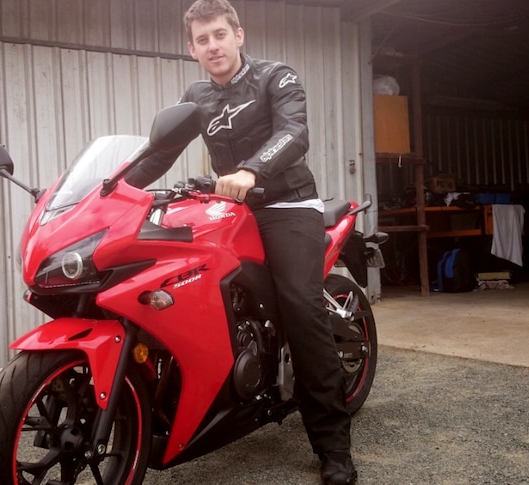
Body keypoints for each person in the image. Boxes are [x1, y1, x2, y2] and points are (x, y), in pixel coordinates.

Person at [125, 1, 356, 483]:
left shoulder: (278, 77)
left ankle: (333, 445)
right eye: (202, 40)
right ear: (191, 49)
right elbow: (159, 154)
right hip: (230, 208)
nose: (213, 45)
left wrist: (252, 170)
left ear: (238, 35)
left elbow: (294, 132)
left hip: (287, 204)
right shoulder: (197, 96)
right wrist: (110, 188)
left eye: (219, 35)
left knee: (297, 303)